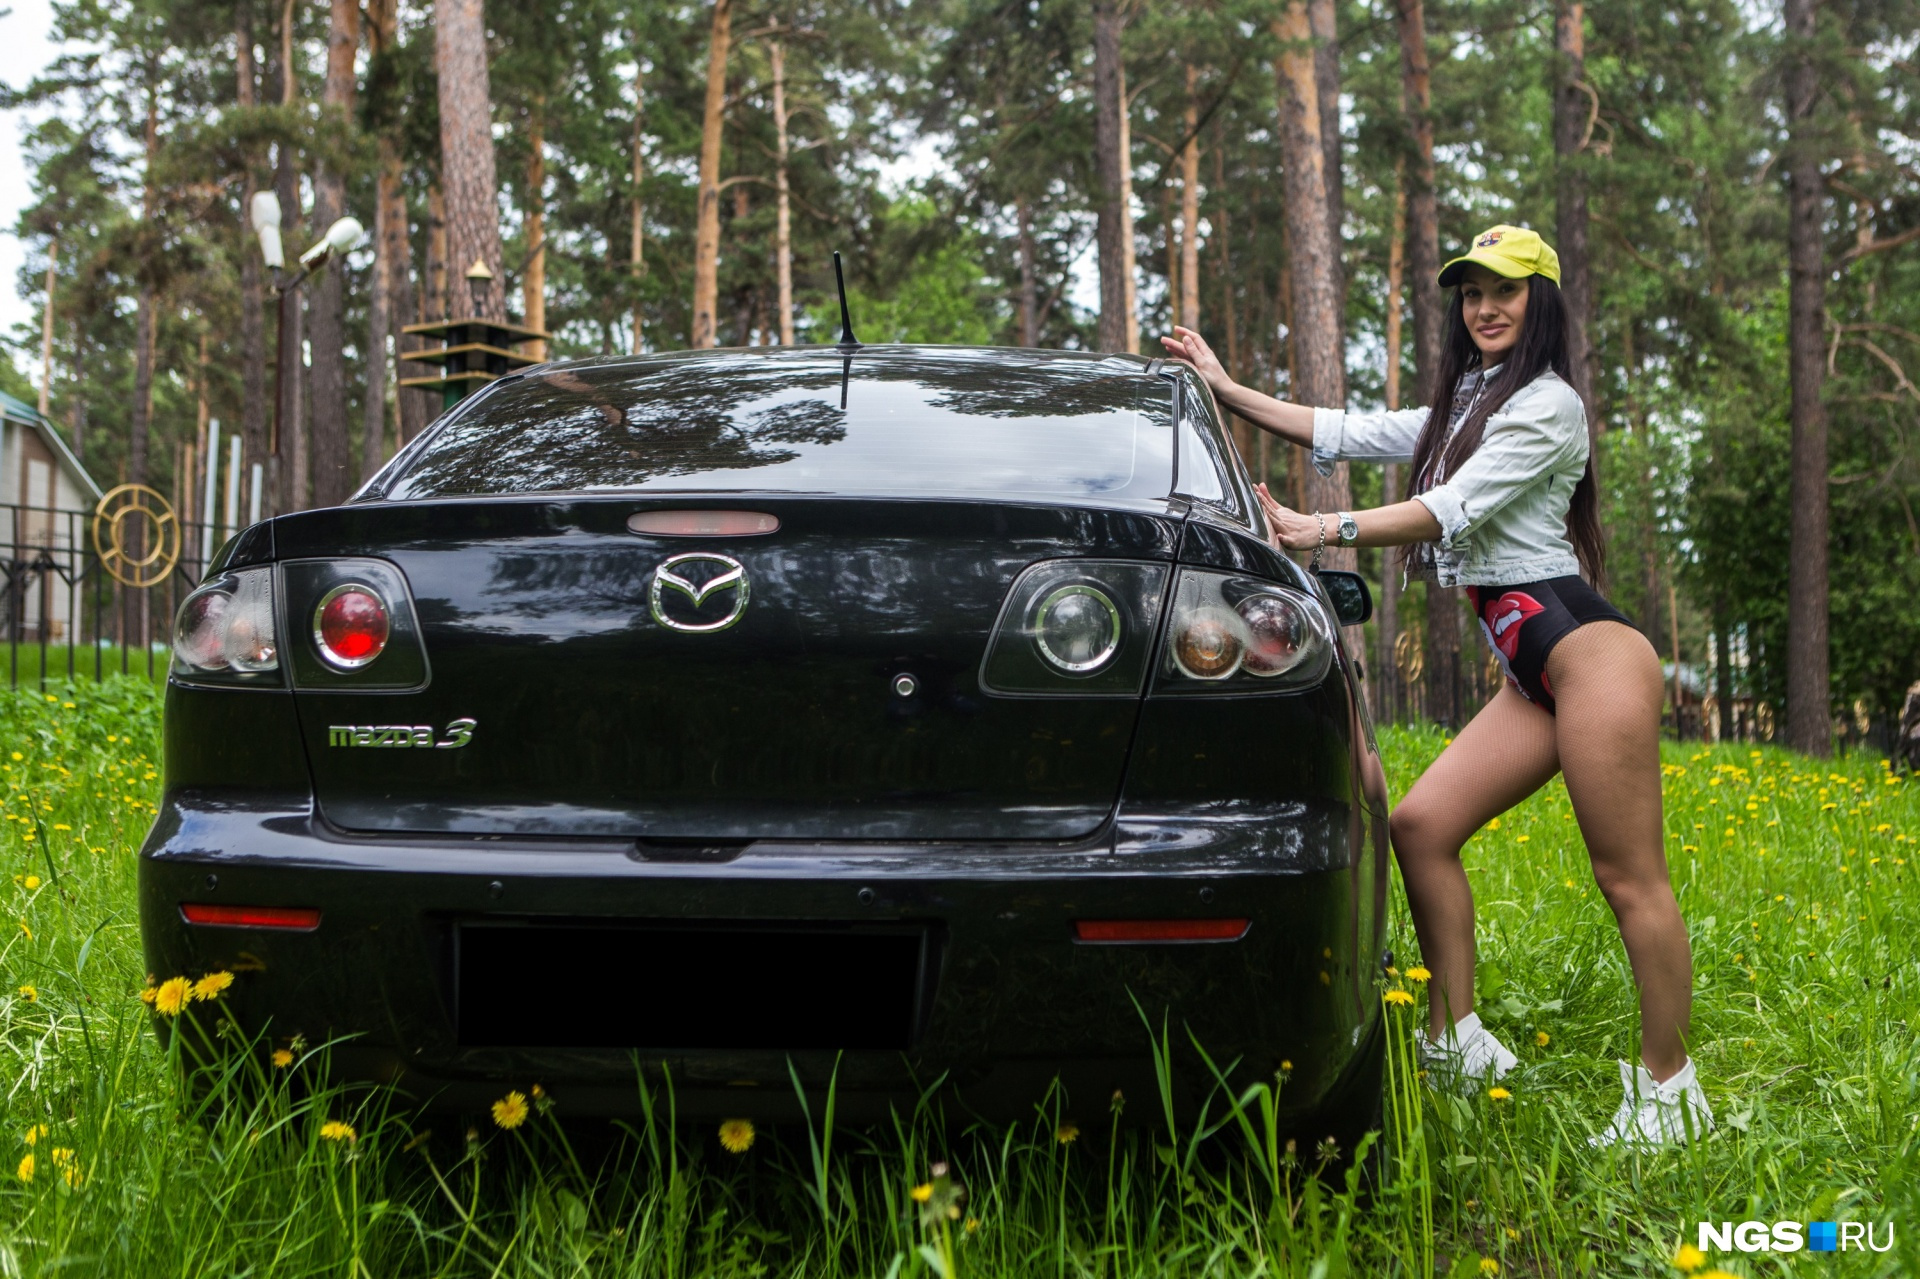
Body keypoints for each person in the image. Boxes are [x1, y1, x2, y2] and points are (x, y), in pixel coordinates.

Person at [1161, 225, 1711, 1147]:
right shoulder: (1467, 402)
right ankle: (1457, 1038)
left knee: (1628, 876)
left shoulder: (1549, 405)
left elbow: (1450, 507)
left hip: (1591, 655)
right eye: (1471, 293)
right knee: (1419, 827)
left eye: (1505, 290)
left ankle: (1671, 1092)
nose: (1485, 308)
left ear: (1542, 301)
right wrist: (1225, 388)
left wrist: (1319, 529)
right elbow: (1350, 430)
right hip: (1533, 669)